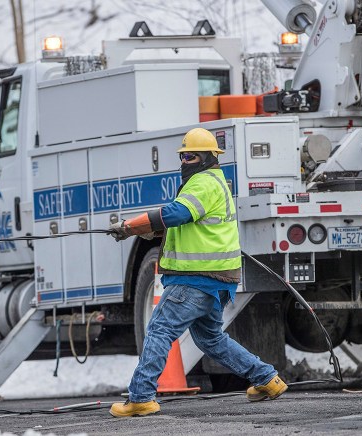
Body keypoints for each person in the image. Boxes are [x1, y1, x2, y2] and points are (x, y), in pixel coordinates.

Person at [107, 127, 287, 417]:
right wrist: (138, 230)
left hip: (197, 278)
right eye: (183, 155)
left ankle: (141, 396)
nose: (184, 161)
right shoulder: (214, 182)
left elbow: (178, 213)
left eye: (190, 156)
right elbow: (188, 225)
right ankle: (267, 379)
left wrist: (131, 226)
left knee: (160, 330)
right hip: (215, 279)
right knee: (209, 339)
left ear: (206, 158)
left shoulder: (203, 182)